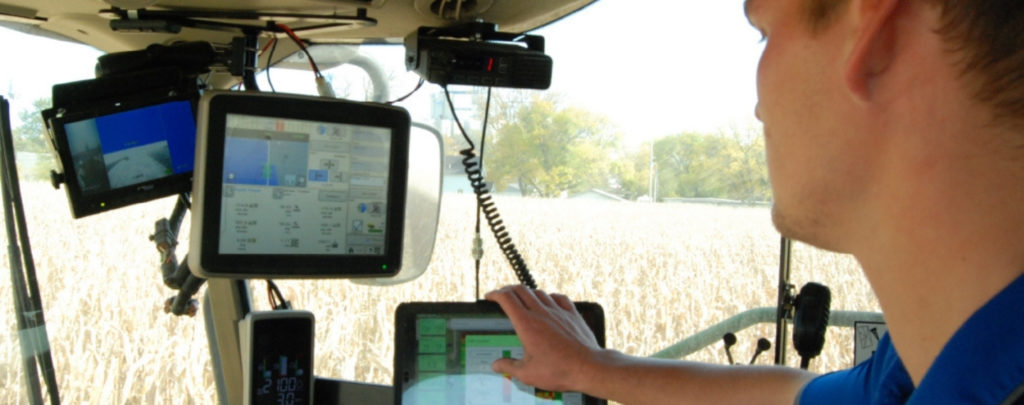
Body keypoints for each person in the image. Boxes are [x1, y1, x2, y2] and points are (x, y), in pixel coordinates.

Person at [486, 0, 1024, 403]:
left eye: (763, 34)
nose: (758, 108)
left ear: (872, 33)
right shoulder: (925, 364)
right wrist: (590, 369)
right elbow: (793, 395)